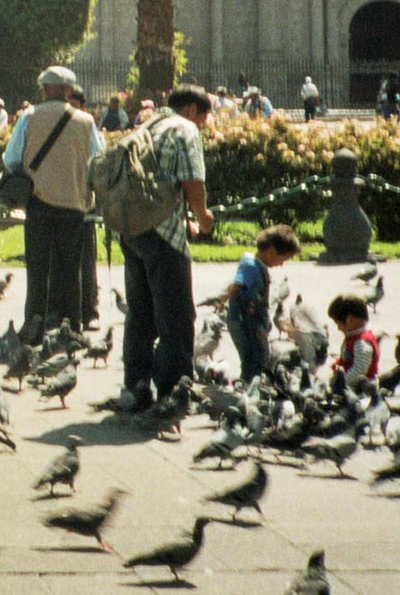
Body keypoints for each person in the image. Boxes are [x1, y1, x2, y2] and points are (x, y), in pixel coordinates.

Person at [117, 85, 216, 426]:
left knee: (140, 313)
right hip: (163, 235)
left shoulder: (147, 125)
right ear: (191, 110)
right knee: (176, 315)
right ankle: (175, 391)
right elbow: (192, 180)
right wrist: (203, 218)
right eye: (203, 118)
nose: (202, 126)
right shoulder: (184, 129)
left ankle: (136, 385)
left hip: (130, 230)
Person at [2, 67, 105, 340]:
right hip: (74, 204)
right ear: (69, 91)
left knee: (38, 267)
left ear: (45, 89)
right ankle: (72, 326)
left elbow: (11, 158)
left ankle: (34, 323)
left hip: (39, 201)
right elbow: (99, 159)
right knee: (72, 269)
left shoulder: (29, 117)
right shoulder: (86, 122)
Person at [218, 224, 300, 381]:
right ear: (271, 251)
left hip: (252, 321)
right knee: (254, 360)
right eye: (283, 259)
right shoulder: (250, 265)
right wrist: (223, 298)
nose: (282, 264)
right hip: (246, 322)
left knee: (258, 358)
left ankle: (248, 385)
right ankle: (249, 389)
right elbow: (237, 284)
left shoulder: (256, 265)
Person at [327, 291, 379, 389]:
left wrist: (341, 383)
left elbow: (359, 370)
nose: (338, 328)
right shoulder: (353, 337)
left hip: (361, 388)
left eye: (338, 324)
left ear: (350, 320)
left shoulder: (361, 342)